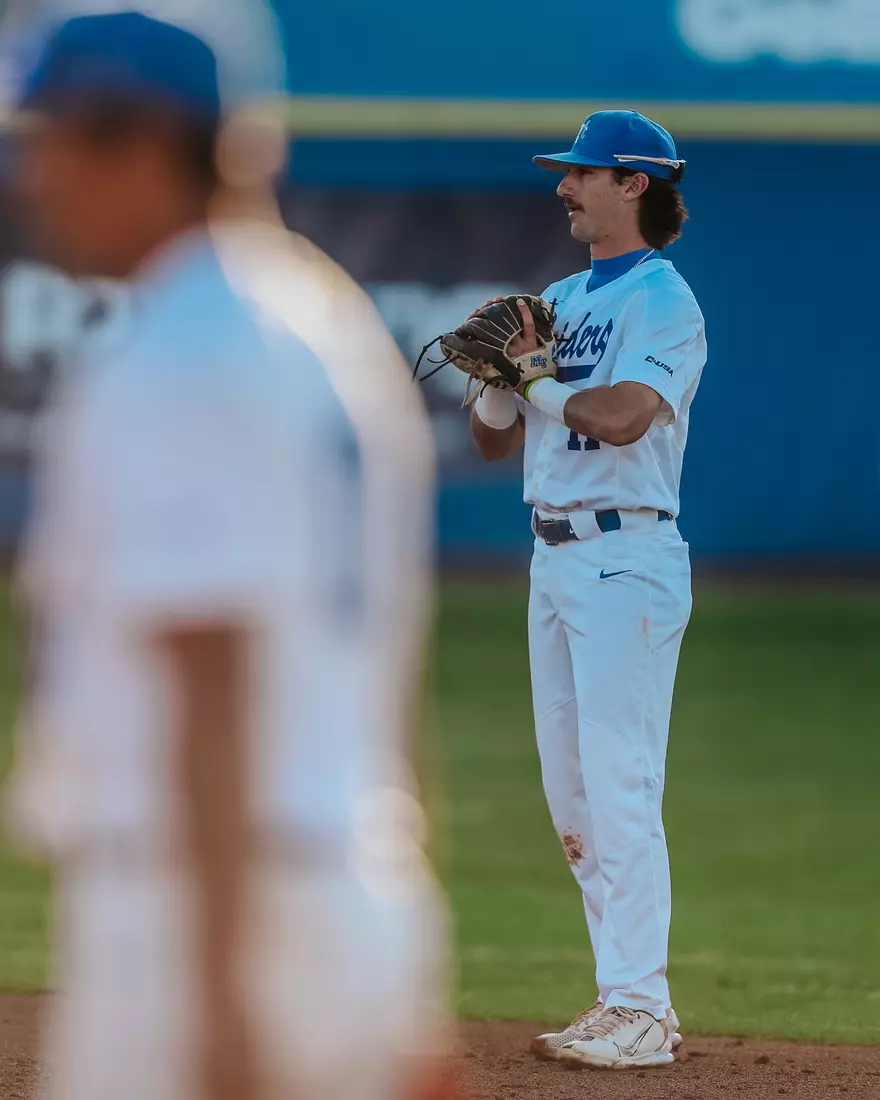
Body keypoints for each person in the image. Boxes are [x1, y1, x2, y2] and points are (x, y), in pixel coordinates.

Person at [6, 12, 448, 1100]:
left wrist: (222, 1001)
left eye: (51, 138)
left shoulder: (184, 351)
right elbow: (385, 675)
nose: (33, 175)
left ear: (144, 142)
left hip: (202, 910)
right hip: (343, 883)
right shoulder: (324, 323)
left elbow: (212, 672)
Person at [470, 110, 707, 1071]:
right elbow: (494, 441)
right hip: (555, 558)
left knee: (619, 782)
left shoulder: (664, 301)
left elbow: (622, 417)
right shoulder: (560, 298)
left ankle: (643, 1005)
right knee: (571, 794)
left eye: (583, 172)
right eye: (566, 172)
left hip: (626, 557)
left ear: (634, 185)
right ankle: (620, 998)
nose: (564, 186)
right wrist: (498, 380)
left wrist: (533, 380)